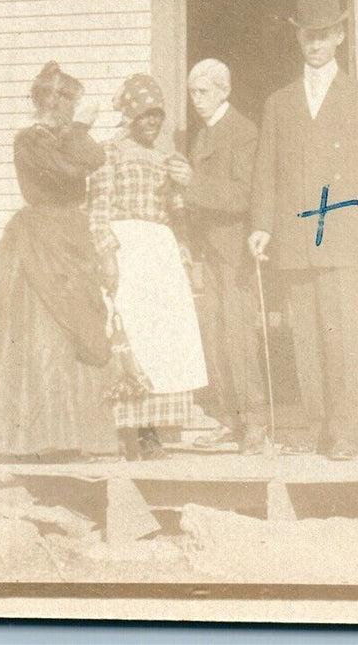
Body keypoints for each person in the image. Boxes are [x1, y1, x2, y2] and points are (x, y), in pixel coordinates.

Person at [248, 0, 358, 461]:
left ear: (338, 36)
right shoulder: (279, 103)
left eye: (323, 35)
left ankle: (347, 431)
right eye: (307, 36)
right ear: (299, 39)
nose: (315, 45)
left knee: (346, 334)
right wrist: (262, 225)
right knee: (307, 336)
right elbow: (266, 171)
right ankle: (317, 428)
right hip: (295, 237)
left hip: (347, 233)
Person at [0, 62, 119, 462]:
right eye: (59, 100)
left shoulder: (66, 137)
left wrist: (74, 134)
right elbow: (67, 171)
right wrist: (75, 133)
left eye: (69, 102)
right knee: (48, 337)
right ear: (45, 101)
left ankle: (79, 437)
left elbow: (95, 159)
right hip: (40, 242)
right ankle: (39, 440)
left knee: (80, 332)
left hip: (71, 236)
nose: (63, 108)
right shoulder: (29, 141)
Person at [88, 73, 209, 461]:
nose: (153, 123)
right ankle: (127, 433)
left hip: (159, 250)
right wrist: (106, 253)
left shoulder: (165, 158)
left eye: (158, 116)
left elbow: (177, 213)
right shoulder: (110, 153)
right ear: (129, 115)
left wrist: (185, 248)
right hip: (128, 250)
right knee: (132, 338)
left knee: (162, 341)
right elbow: (98, 209)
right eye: (145, 116)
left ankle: (152, 433)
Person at [182, 59, 270, 455]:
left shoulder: (242, 131)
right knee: (213, 339)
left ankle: (254, 423)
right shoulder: (203, 135)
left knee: (238, 336)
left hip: (235, 251)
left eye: (202, 91)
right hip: (208, 251)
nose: (195, 99)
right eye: (192, 91)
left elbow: (243, 195)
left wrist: (191, 183)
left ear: (224, 91)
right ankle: (225, 420)